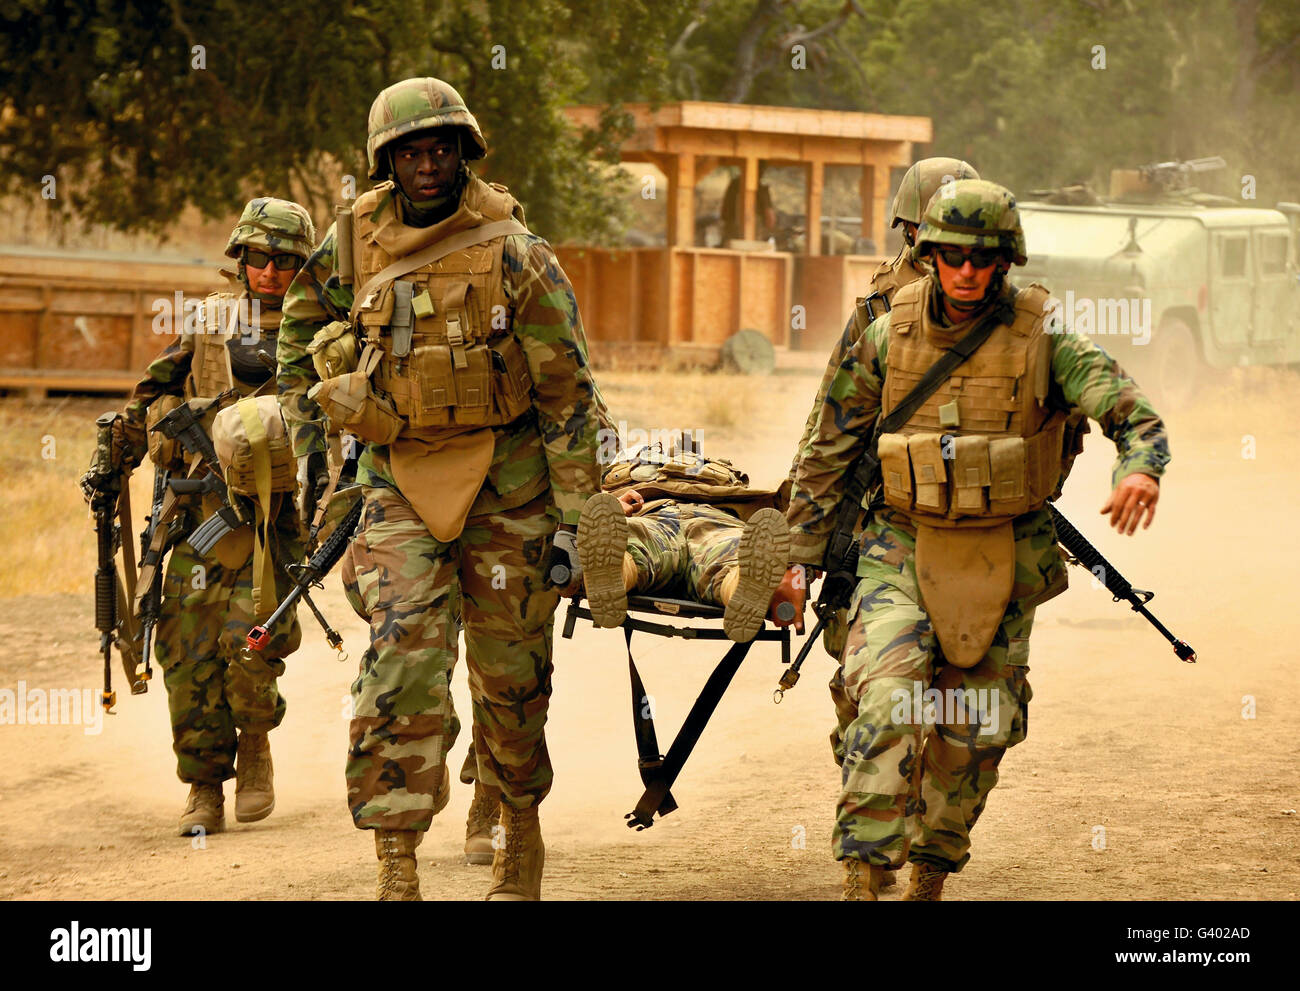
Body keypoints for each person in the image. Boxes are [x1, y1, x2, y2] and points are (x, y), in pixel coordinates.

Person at [771, 179, 1170, 900]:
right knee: (888, 697)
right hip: (899, 543)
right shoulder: (884, 332)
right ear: (927, 254)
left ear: (1005, 263)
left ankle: (932, 866)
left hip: (1002, 551)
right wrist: (797, 562)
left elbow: (1129, 407)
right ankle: (863, 871)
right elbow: (829, 449)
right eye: (951, 256)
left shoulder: (1042, 334)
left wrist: (1140, 467)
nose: (965, 272)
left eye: (981, 259)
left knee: (974, 726)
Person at [277, 76, 607, 901]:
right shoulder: (354, 241)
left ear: (464, 152)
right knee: (400, 666)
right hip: (398, 481)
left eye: (441, 148)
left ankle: (518, 830)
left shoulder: (515, 251)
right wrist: (313, 431)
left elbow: (570, 394)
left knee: (510, 675)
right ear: (387, 161)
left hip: (509, 484)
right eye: (410, 152)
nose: (427, 164)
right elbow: (294, 330)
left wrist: (578, 523)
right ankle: (397, 862)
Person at [88, 197, 315, 837]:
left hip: (272, 523)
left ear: (301, 265)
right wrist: (134, 446)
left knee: (251, 647)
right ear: (240, 259)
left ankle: (255, 743)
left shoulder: (321, 329)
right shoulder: (207, 322)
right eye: (258, 258)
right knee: (186, 658)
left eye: (284, 260)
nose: (269, 272)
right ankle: (205, 787)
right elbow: (150, 395)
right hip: (193, 515)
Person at [576, 444, 789, 642]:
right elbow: (577, 502)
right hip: (652, 513)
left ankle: (745, 588)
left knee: (733, 555)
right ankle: (611, 575)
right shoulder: (613, 479)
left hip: (716, 515)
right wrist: (612, 504)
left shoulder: (730, 480)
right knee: (633, 542)